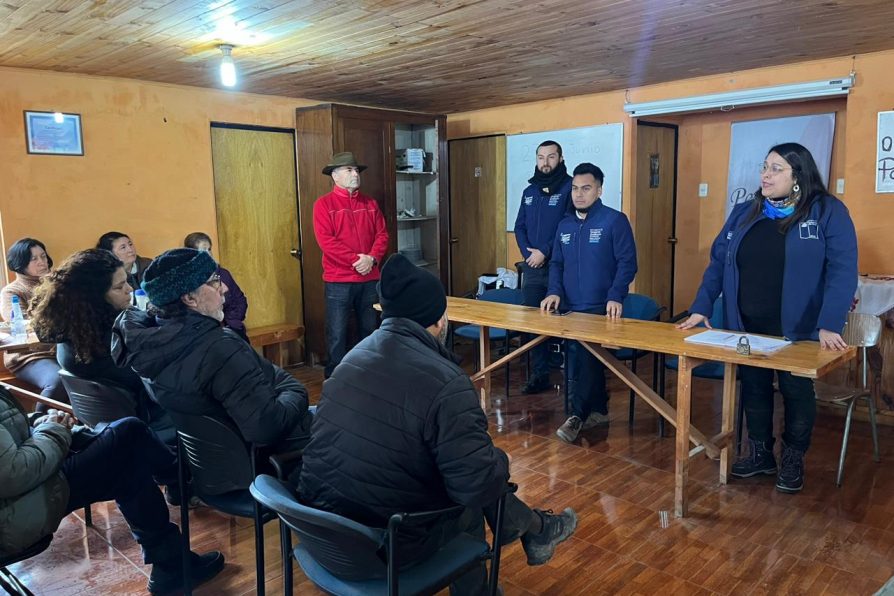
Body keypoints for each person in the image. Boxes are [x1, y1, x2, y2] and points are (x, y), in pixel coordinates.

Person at [299, 254, 577, 594]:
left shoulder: (349, 361)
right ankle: (521, 545)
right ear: (440, 320)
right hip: (381, 548)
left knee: (460, 468)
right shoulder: (446, 383)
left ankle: (536, 531)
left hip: (320, 532)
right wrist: (497, 460)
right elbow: (477, 485)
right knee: (470, 496)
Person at [678, 142, 857, 493]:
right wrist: (701, 306)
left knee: (794, 389)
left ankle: (793, 456)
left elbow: (843, 269)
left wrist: (829, 323)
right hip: (747, 322)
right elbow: (719, 261)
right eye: (764, 167)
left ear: (798, 176)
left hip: (798, 327)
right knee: (755, 387)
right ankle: (760, 452)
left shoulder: (826, 211)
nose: (765, 174)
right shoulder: (746, 211)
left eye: (776, 168)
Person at [0, 388, 224, 594]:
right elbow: (14, 474)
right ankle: (186, 483)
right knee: (129, 432)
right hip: (13, 516)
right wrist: (54, 428)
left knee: (127, 460)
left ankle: (172, 562)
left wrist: (44, 422)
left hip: (20, 499)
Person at [111, 248, 313, 457]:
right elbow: (268, 429)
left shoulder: (144, 345)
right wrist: (296, 389)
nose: (224, 287)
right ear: (190, 298)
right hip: (266, 461)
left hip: (211, 468)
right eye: (214, 281)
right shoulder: (221, 349)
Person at [30, 249, 174, 443]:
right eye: (119, 286)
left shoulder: (73, 339)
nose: (129, 290)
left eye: (127, 281)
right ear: (95, 298)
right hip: (152, 429)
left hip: (107, 433)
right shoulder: (113, 345)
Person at [541, 163, 637, 443]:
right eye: (575, 188)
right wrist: (554, 291)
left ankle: (576, 415)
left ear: (599, 190)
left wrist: (615, 294)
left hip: (601, 307)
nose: (579, 194)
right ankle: (599, 410)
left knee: (585, 359)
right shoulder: (565, 224)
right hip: (570, 306)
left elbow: (627, 263)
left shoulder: (614, 220)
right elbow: (556, 263)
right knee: (581, 360)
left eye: (586, 188)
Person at [312, 151, 389, 378]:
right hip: (339, 280)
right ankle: (335, 379)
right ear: (335, 176)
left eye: (356, 170)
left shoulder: (370, 203)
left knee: (370, 329)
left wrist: (372, 259)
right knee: (337, 333)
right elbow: (327, 241)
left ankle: (369, 374)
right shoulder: (324, 205)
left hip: (369, 279)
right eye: (349, 170)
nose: (355, 174)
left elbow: (382, 235)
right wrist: (356, 260)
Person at [514, 140, 572, 394]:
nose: (545, 162)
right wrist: (530, 254)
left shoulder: (571, 188)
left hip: (560, 267)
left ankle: (573, 377)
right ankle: (539, 375)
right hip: (533, 268)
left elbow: (566, 225)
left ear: (560, 158)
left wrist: (544, 252)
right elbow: (519, 226)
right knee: (533, 323)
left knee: (566, 322)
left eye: (550, 157)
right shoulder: (529, 191)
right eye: (540, 157)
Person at [0, 238, 68, 408]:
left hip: (62, 347)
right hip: (29, 355)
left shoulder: (59, 283)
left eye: (43, 256)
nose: (42, 263)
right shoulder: (12, 291)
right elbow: (24, 326)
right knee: (58, 379)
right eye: (34, 259)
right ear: (20, 264)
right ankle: (38, 423)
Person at [183, 232, 249, 340]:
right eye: (202, 251)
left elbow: (240, 300)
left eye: (209, 249)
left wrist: (231, 321)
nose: (208, 255)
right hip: (204, 335)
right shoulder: (188, 280)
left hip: (231, 329)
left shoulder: (223, 274)